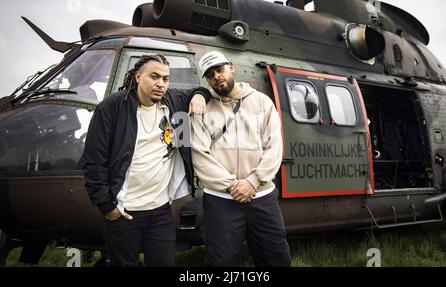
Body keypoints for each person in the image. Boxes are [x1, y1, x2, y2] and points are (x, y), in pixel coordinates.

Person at [81, 54, 210, 267]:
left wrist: (199, 96)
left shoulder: (173, 100)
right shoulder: (112, 107)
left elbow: (202, 90)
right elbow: (93, 162)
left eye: (166, 79)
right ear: (139, 77)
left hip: (160, 211)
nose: (161, 84)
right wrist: (107, 207)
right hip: (123, 211)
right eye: (154, 76)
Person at [191, 51, 291, 267]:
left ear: (231, 68)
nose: (217, 76)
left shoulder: (262, 103)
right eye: (210, 74)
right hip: (221, 200)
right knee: (222, 262)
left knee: (276, 258)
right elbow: (200, 155)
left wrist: (253, 182)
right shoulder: (201, 108)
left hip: (262, 196)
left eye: (220, 70)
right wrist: (233, 187)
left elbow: (274, 147)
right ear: (206, 80)